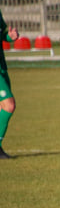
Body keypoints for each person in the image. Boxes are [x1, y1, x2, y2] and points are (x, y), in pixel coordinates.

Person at [0, 9, 20, 159]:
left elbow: (2, 35)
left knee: (1, 107)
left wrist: (9, 37)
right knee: (9, 105)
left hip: (1, 66)